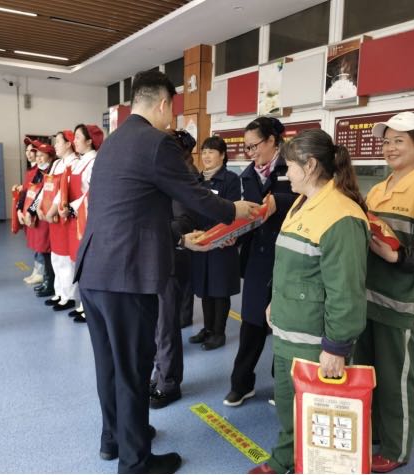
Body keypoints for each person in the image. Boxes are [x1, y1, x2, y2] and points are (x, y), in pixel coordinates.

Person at [74, 69, 259, 474]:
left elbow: (131, 210)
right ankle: (135, 460)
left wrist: (180, 239)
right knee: (134, 367)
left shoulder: (114, 141)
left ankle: (115, 438)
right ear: (162, 104)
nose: (171, 118)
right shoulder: (156, 142)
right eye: (171, 109)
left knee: (110, 364)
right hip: (126, 276)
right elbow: (194, 196)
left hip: (94, 271)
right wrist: (235, 210)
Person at [250, 129, 370, 474]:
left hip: (315, 341)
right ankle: (286, 457)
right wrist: (274, 302)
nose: (286, 173)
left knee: (316, 411)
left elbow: (346, 290)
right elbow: (290, 266)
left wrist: (337, 346)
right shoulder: (302, 204)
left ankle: (307, 464)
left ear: (311, 165)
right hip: (289, 329)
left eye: (290, 166)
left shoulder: (342, 216)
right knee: (288, 402)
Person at [353, 112, 414, 473]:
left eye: (398, 141)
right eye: (386, 141)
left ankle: (397, 449)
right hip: (368, 299)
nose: (389, 148)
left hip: (400, 304)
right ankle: (379, 432)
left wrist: (397, 256)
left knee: (396, 379)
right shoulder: (380, 188)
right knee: (370, 373)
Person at [224, 116, 297, 407]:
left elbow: (308, 200)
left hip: (288, 257)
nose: (251, 153)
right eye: (247, 148)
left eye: (255, 146)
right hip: (257, 258)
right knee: (251, 323)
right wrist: (232, 237)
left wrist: (280, 201)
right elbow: (247, 219)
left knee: (284, 325)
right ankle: (241, 384)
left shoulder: (293, 167)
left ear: (272, 141)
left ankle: (283, 387)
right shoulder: (247, 175)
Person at [150, 129, 199, 410]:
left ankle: (168, 382)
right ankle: (159, 374)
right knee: (156, 326)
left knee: (165, 326)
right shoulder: (161, 174)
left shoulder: (181, 177)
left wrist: (153, 230)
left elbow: (185, 220)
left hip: (170, 260)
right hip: (154, 259)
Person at [188, 136, 241, 351]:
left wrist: (220, 235)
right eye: (204, 151)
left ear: (222, 155)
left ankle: (219, 332)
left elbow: (233, 211)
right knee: (205, 288)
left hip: (222, 242)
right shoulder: (197, 180)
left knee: (220, 289)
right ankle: (208, 329)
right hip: (201, 241)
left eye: (211, 151)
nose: (206, 156)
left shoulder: (230, 180)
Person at [59, 123, 103, 323]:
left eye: (77, 137)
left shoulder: (94, 162)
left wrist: (71, 207)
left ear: (89, 141)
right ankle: (83, 304)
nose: (74, 141)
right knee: (77, 261)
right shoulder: (79, 162)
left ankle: (90, 308)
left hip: (86, 218)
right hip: (74, 218)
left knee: (87, 263)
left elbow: (92, 192)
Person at [40, 131, 78, 311]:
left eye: (58, 142)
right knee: (55, 257)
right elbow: (46, 187)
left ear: (69, 144)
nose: (55, 146)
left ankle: (69, 296)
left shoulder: (74, 163)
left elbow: (63, 192)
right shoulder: (56, 164)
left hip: (63, 216)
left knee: (65, 259)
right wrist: (40, 207)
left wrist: (52, 211)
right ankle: (59, 292)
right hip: (51, 215)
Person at [22, 143, 57, 298]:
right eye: (38, 156)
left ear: (50, 156)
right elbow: (32, 192)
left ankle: (51, 282)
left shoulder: (52, 171)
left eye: (42, 155)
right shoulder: (38, 172)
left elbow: (43, 193)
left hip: (46, 214)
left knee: (47, 250)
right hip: (38, 214)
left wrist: (31, 210)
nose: (39, 158)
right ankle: (47, 280)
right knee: (42, 250)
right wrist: (26, 210)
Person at [16, 140, 45, 284]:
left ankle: (40, 271)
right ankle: (37, 270)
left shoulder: (41, 171)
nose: (28, 154)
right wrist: (19, 209)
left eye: (32, 151)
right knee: (35, 243)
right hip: (29, 211)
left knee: (40, 242)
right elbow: (26, 192)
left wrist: (30, 211)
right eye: (26, 150)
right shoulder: (31, 171)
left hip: (37, 212)